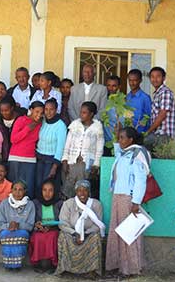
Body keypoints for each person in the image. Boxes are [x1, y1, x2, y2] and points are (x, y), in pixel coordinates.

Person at [106, 127, 150, 277]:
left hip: (128, 198)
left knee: (129, 234)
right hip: (118, 197)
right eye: (119, 137)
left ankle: (131, 268)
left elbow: (140, 180)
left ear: (131, 140)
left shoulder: (137, 155)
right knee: (117, 231)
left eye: (123, 138)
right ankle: (119, 266)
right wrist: (117, 132)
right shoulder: (124, 153)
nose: (120, 140)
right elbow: (117, 148)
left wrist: (136, 202)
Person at [56, 180, 105, 277]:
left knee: (95, 237)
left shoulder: (96, 204)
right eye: (79, 190)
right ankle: (66, 269)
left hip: (88, 234)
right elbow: (62, 223)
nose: (82, 193)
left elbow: (97, 225)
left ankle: (91, 271)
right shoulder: (68, 204)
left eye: (85, 190)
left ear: (89, 192)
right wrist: (74, 233)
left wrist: (85, 234)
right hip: (72, 234)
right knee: (63, 236)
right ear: (75, 192)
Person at [61, 101, 104, 199]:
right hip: (72, 162)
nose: (81, 114)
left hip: (87, 164)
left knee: (83, 188)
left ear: (91, 114)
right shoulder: (75, 125)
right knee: (69, 186)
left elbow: (99, 148)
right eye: (81, 112)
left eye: (84, 113)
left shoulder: (97, 128)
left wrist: (96, 165)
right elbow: (67, 144)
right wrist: (64, 160)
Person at [8, 101, 44, 199]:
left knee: (28, 189)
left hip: (30, 159)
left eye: (41, 113)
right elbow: (13, 139)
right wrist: (27, 128)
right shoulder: (21, 120)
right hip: (15, 158)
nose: (39, 115)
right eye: (37, 112)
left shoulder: (41, 124)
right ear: (31, 110)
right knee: (14, 188)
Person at [0, 181, 35, 270]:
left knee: (21, 234)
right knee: (5, 234)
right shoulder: (4, 203)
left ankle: (17, 264)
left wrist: (19, 225)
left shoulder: (30, 205)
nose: (17, 193)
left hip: (22, 231)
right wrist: (9, 226)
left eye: (20, 190)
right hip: (7, 230)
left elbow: (30, 226)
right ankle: (8, 264)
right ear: (11, 190)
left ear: (25, 191)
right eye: (15, 189)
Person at [29, 179, 63, 274]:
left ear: (55, 191)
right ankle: (38, 263)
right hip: (39, 230)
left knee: (52, 237)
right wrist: (37, 225)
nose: (47, 193)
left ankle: (52, 264)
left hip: (54, 230)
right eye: (44, 190)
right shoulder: (35, 203)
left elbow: (63, 221)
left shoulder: (59, 203)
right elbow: (32, 220)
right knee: (37, 237)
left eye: (50, 190)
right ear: (41, 190)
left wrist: (52, 227)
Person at [35, 99, 67, 198]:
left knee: (49, 187)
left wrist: (54, 167)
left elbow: (60, 147)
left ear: (56, 110)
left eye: (51, 109)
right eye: (46, 109)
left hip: (51, 161)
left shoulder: (61, 125)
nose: (48, 112)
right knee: (39, 186)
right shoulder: (42, 121)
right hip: (39, 158)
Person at [144, 66, 175, 151]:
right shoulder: (157, 93)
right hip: (158, 134)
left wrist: (148, 131)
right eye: (152, 77)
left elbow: (162, 114)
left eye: (158, 76)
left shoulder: (165, 92)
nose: (155, 79)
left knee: (142, 143)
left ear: (164, 78)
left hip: (163, 134)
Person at [126, 69, 151, 133]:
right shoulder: (127, 97)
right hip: (128, 132)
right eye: (130, 80)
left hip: (140, 133)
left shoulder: (145, 98)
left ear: (140, 80)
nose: (132, 83)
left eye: (135, 80)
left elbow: (149, 116)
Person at [104, 75, 123, 156]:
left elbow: (122, 123)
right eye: (108, 85)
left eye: (114, 86)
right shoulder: (103, 100)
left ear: (119, 87)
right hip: (104, 141)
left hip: (117, 141)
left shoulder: (122, 101)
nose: (111, 88)